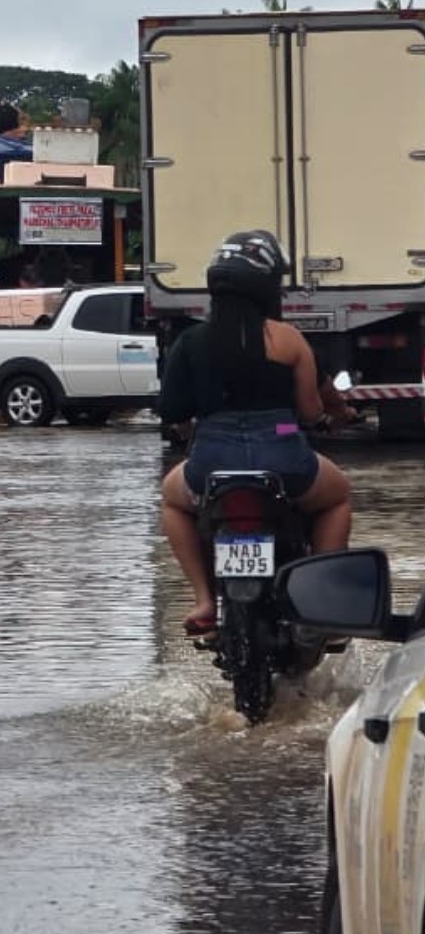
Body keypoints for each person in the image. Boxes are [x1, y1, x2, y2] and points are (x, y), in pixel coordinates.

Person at [157, 230, 353, 636]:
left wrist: (199, 428)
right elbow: (309, 411)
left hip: (210, 458)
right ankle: (323, 603)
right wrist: (297, 423)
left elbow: (175, 413)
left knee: (172, 502)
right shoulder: (288, 339)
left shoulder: (190, 342)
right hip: (283, 451)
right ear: (268, 287)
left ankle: (204, 600)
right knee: (338, 497)